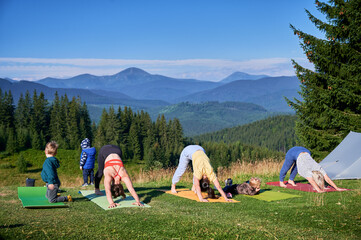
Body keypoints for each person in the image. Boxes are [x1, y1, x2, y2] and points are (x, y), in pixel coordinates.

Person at [280, 147, 346, 193]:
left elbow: (327, 179)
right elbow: (311, 181)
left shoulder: (319, 168)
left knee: (297, 166)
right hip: (292, 152)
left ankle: (290, 180)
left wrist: (337, 188)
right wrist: (319, 190)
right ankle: (281, 182)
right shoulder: (307, 170)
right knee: (286, 167)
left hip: (306, 152)